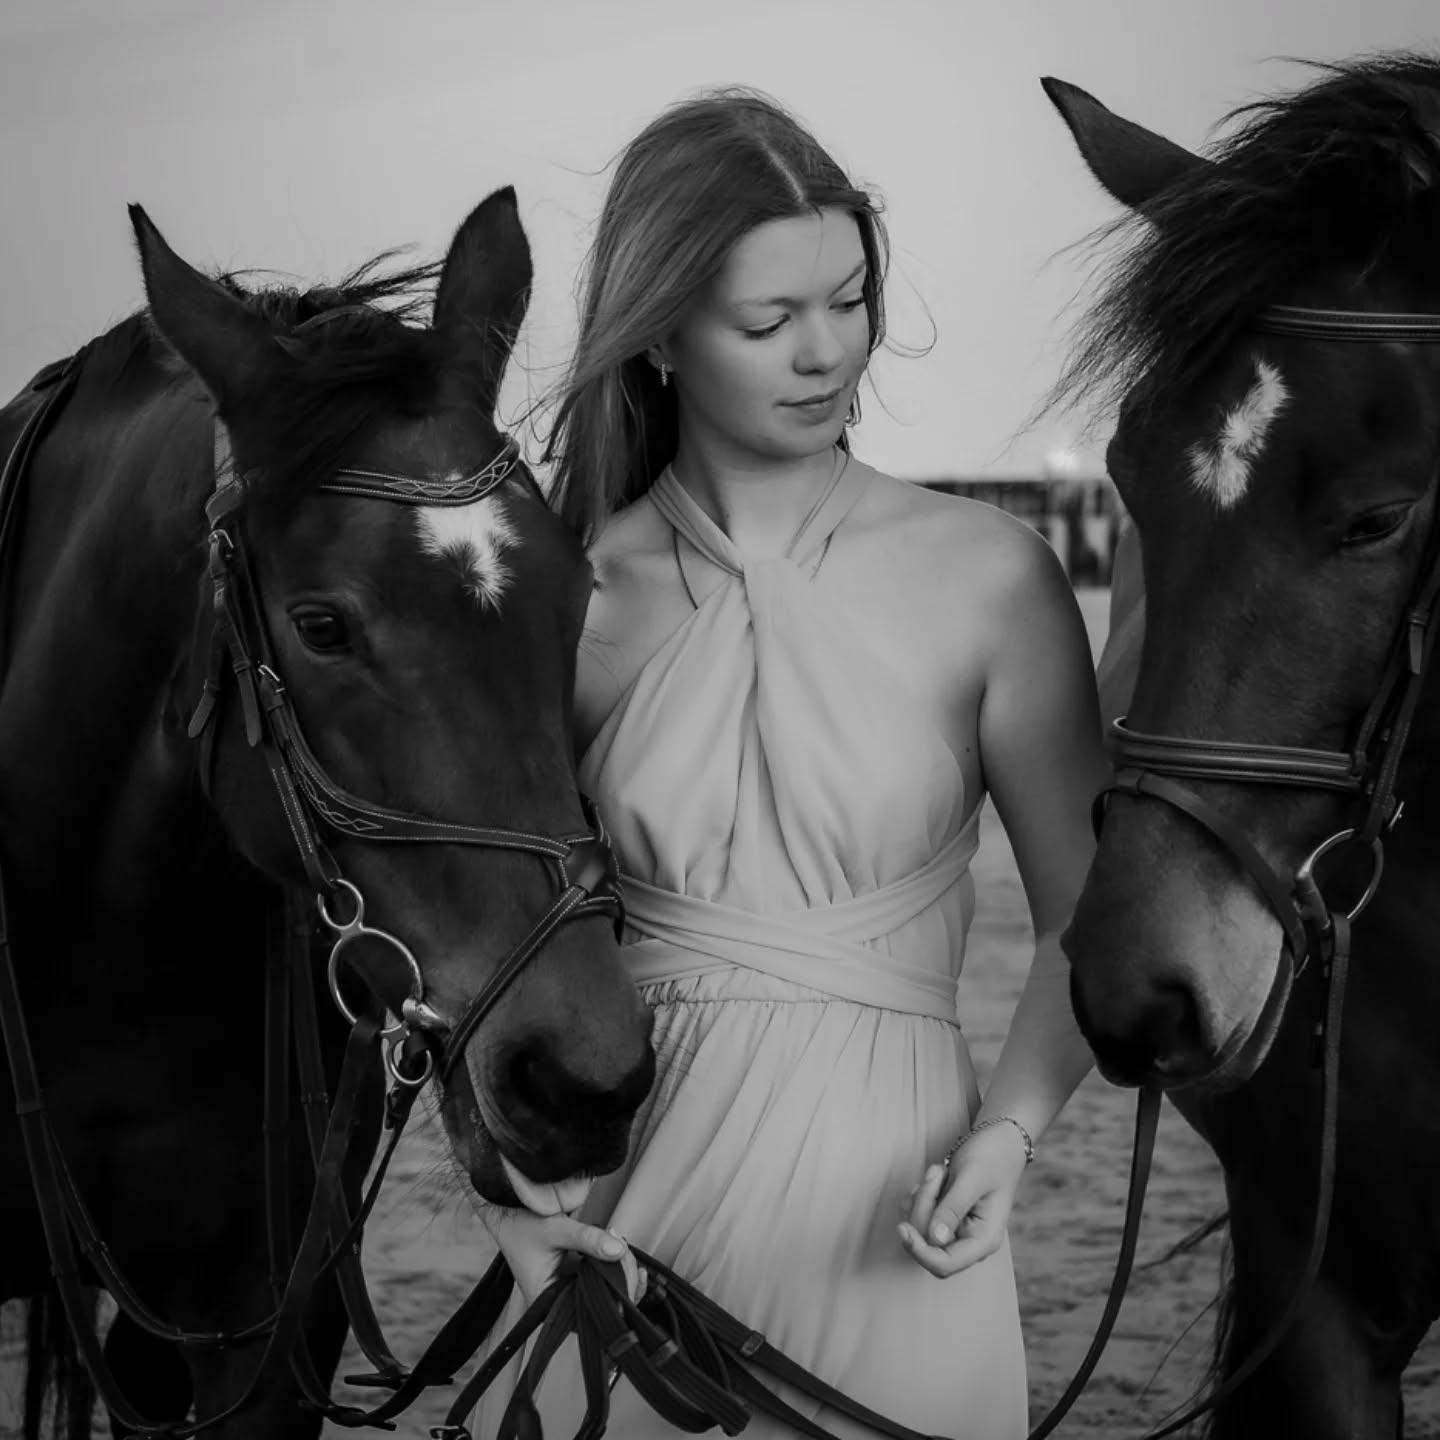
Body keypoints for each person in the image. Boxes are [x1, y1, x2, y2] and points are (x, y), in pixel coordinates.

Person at [472, 88, 1109, 1439]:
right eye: (768, 323)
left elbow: (1081, 919)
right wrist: (497, 1199)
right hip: (621, 1233)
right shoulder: (565, 595)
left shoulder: (992, 576)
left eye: (851, 301)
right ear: (656, 344)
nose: (827, 353)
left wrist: (1011, 1135)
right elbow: (472, 945)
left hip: (906, 1215)